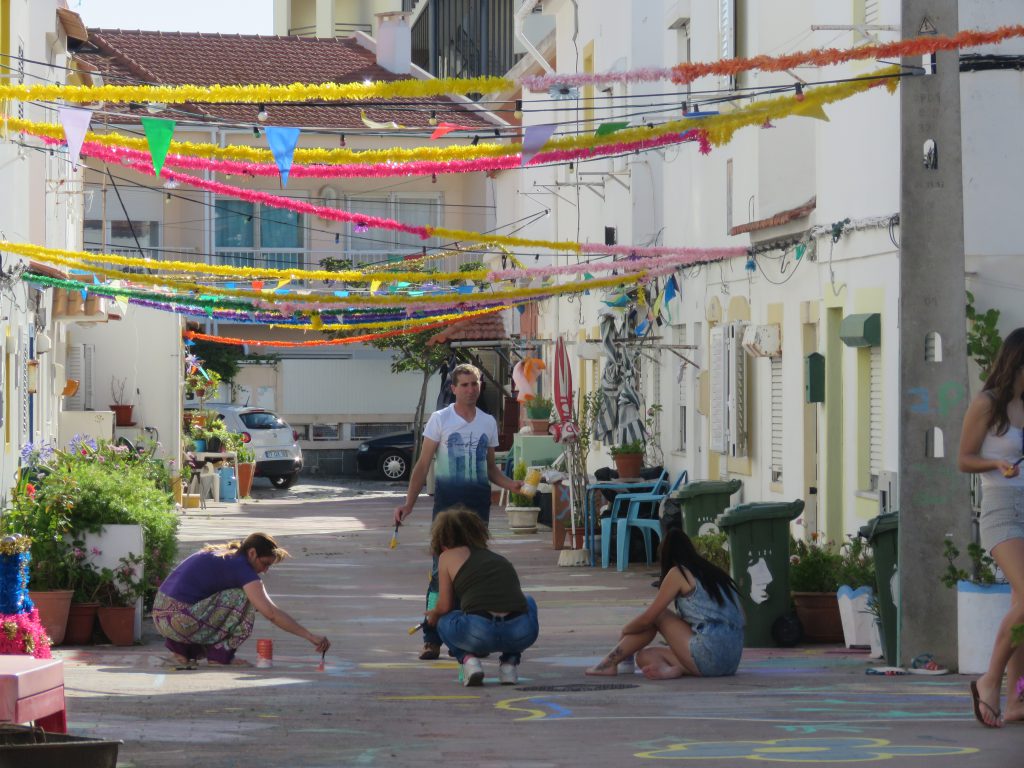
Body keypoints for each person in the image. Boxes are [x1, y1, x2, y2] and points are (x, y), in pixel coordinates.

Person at [394, 363, 522, 660]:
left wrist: (511, 485)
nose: (470, 390)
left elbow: (491, 470)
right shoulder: (440, 419)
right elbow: (423, 465)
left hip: (478, 508)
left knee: (473, 570)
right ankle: (431, 637)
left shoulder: (488, 422)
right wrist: (408, 504)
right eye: (464, 385)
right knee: (441, 572)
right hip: (447, 510)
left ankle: (464, 634)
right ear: (453, 389)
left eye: (474, 384)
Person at [957, 327, 1024, 728]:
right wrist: (995, 464)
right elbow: (963, 458)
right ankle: (989, 680)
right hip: (1000, 509)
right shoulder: (987, 404)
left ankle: (1016, 698)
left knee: (1021, 607)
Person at [586, 528, 744, 680]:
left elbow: (648, 619)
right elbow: (742, 618)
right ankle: (673, 669)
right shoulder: (715, 574)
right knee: (643, 656)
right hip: (730, 663)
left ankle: (607, 663)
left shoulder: (678, 573)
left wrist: (625, 631)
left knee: (658, 616)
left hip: (708, 654)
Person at [152, 532, 330, 667]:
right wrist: (310, 636)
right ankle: (219, 655)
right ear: (252, 553)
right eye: (265, 563)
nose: (265, 570)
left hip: (162, 616)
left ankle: (181, 654)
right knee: (244, 598)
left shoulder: (226, 555)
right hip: (178, 619)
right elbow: (271, 613)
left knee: (225, 596)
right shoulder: (241, 567)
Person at [424, 506, 539, 686]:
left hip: (479, 633)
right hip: (521, 633)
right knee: (528, 601)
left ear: (442, 540)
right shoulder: (497, 558)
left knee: (444, 619)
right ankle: (509, 664)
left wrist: (434, 614)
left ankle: (469, 661)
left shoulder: (447, 556)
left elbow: (444, 605)